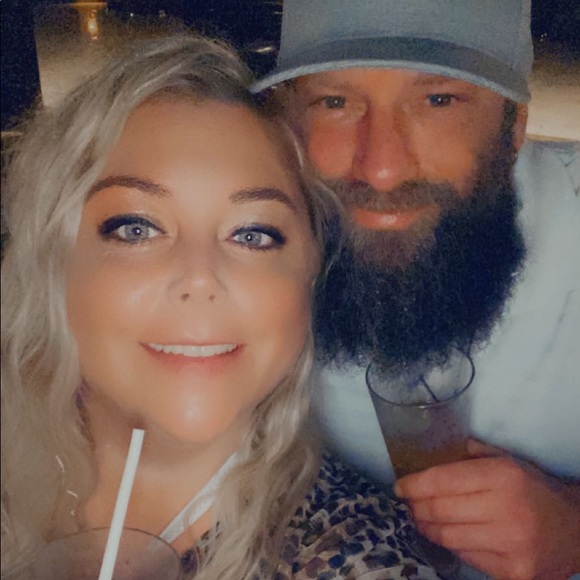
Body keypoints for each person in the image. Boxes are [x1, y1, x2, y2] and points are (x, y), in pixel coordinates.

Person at [0, 35, 443, 580]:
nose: (200, 277)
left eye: (253, 234)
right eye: (137, 228)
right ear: (54, 258)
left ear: (309, 274)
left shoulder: (350, 552)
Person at [253, 1, 580, 578]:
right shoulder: (248, 242)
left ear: (514, 125)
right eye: (335, 102)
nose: (381, 168)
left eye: (438, 100)